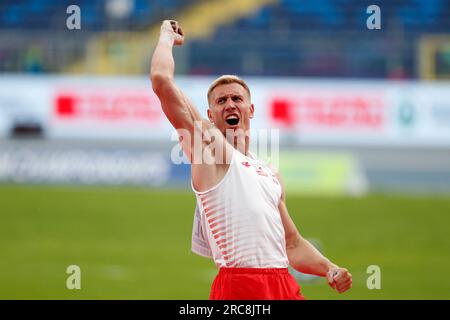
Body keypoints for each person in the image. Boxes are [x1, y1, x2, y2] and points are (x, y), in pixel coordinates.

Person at [150, 20, 352, 300]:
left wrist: (329, 268)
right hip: (239, 286)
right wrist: (165, 37)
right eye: (221, 101)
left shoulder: (269, 172)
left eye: (236, 98)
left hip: (283, 284)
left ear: (251, 109)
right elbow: (162, 81)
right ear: (211, 116)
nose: (230, 104)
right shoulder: (209, 151)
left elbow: (292, 244)